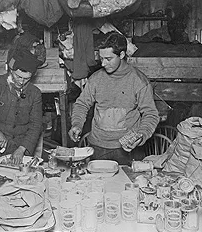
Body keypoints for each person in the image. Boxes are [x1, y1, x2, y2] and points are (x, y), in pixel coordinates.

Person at [68, 31, 159, 165]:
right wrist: (76, 124)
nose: (103, 64)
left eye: (108, 59)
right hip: (98, 148)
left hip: (128, 150)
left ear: (122, 55)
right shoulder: (96, 79)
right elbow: (82, 104)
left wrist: (141, 135)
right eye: (101, 58)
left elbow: (151, 114)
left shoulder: (138, 81)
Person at [0, 48, 43, 178]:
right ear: (11, 70)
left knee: (20, 180)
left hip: (20, 145)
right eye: (18, 77)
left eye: (26, 79)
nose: (21, 81)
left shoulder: (35, 93)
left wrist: (22, 148)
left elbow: (36, 125)